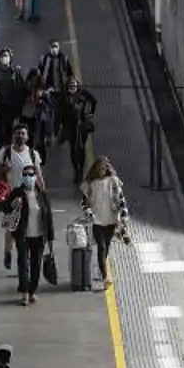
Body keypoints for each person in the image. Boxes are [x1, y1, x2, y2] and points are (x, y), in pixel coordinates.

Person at [3, 164, 55, 305]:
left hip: (39, 236)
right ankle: (24, 293)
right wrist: (13, 204)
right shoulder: (17, 193)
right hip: (22, 235)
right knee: (23, 264)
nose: (28, 177)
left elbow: (48, 219)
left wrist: (51, 242)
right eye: (25, 175)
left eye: (31, 175)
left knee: (36, 265)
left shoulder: (42, 195)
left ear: (36, 177)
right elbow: (5, 208)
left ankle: (32, 291)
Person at [0, 124, 44, 270]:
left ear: (27, 137)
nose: (20, 136)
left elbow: (39, 175)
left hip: (29, 196)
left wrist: (43, 194)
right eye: (18, 133)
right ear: (13, 135)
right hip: (12, 196)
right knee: (11, 227)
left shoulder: (33, 154)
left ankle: (23, 259)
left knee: (26, 227)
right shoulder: (5, 152)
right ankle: (8, 252)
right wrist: (4, 169)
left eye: (23, 134)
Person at [80, 156, 130, 288]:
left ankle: (101, 269)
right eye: (100, 168)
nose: (102, 171)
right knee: (101, 247)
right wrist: (89, 213)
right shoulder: (90, 184)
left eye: (104, 168)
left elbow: (121, 200)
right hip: (97, 220)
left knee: (106, 246)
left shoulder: (114, 182)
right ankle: (104, 276)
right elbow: (84, 203)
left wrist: (123, 219)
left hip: (111, 219)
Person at [58, 76, 97, 183]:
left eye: (74, 84)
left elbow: (94, 101)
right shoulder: (64, 95)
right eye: (70, 84)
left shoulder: (82, 93)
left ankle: (81, 170)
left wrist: (90, 113)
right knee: (72, 148)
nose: (72, 86)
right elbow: (59, 111)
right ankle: (76, 170)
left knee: (81, 147)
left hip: (81, 125)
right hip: (70, 126)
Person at [0, 47, 25, 148]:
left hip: (11, 103)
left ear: (10, 58)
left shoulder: (14, 70)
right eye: (2, 56)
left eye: (6, 56)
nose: (4, 58)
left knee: (9, 125)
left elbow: (21, 86)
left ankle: (8, 144)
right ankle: (1, 142)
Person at [37, 39, 74, 133]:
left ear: (59, 47)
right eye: (52, 47)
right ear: (49, 48)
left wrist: (70, 88)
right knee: (48, 114)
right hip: (48, 91)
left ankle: (58, 131)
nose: (54, 49)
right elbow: (39, 74)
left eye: (56, 46)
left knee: (60, 113)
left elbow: (70, 74)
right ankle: (48, 134)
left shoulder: (64, 59)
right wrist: (41, 89)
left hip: (61, 91)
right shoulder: (44, 59)